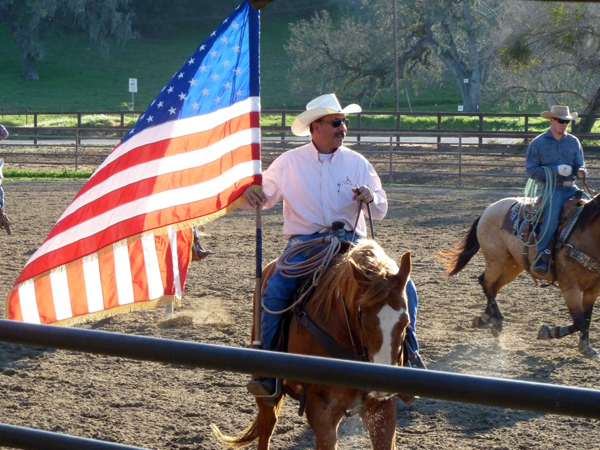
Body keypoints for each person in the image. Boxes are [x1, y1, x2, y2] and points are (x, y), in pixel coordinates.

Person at [243, 93, 423, 397]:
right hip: (305, 243)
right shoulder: (289, 163)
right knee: (274, 290)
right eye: (336, 122)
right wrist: (250, 193)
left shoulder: (358, 162)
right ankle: (268, 368)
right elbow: (263, 198)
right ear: (316, 127)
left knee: (406, 289)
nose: (343, 128)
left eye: (345, 122)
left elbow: (380, 208)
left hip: (354, 243)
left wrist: (371, 197)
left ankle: (411, 356)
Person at [525, 105, 587, 275]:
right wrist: (555, 170)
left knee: (594, 211)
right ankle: (541, 257)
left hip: (571, 187)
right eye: (561, 121)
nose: (564, 124)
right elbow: (531, 170)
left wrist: (581, 171)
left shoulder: (573, 141)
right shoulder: (538, 143)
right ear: (552, 120)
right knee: (551, 220)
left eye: (567, 121)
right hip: (551, 190)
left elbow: (580, 164)